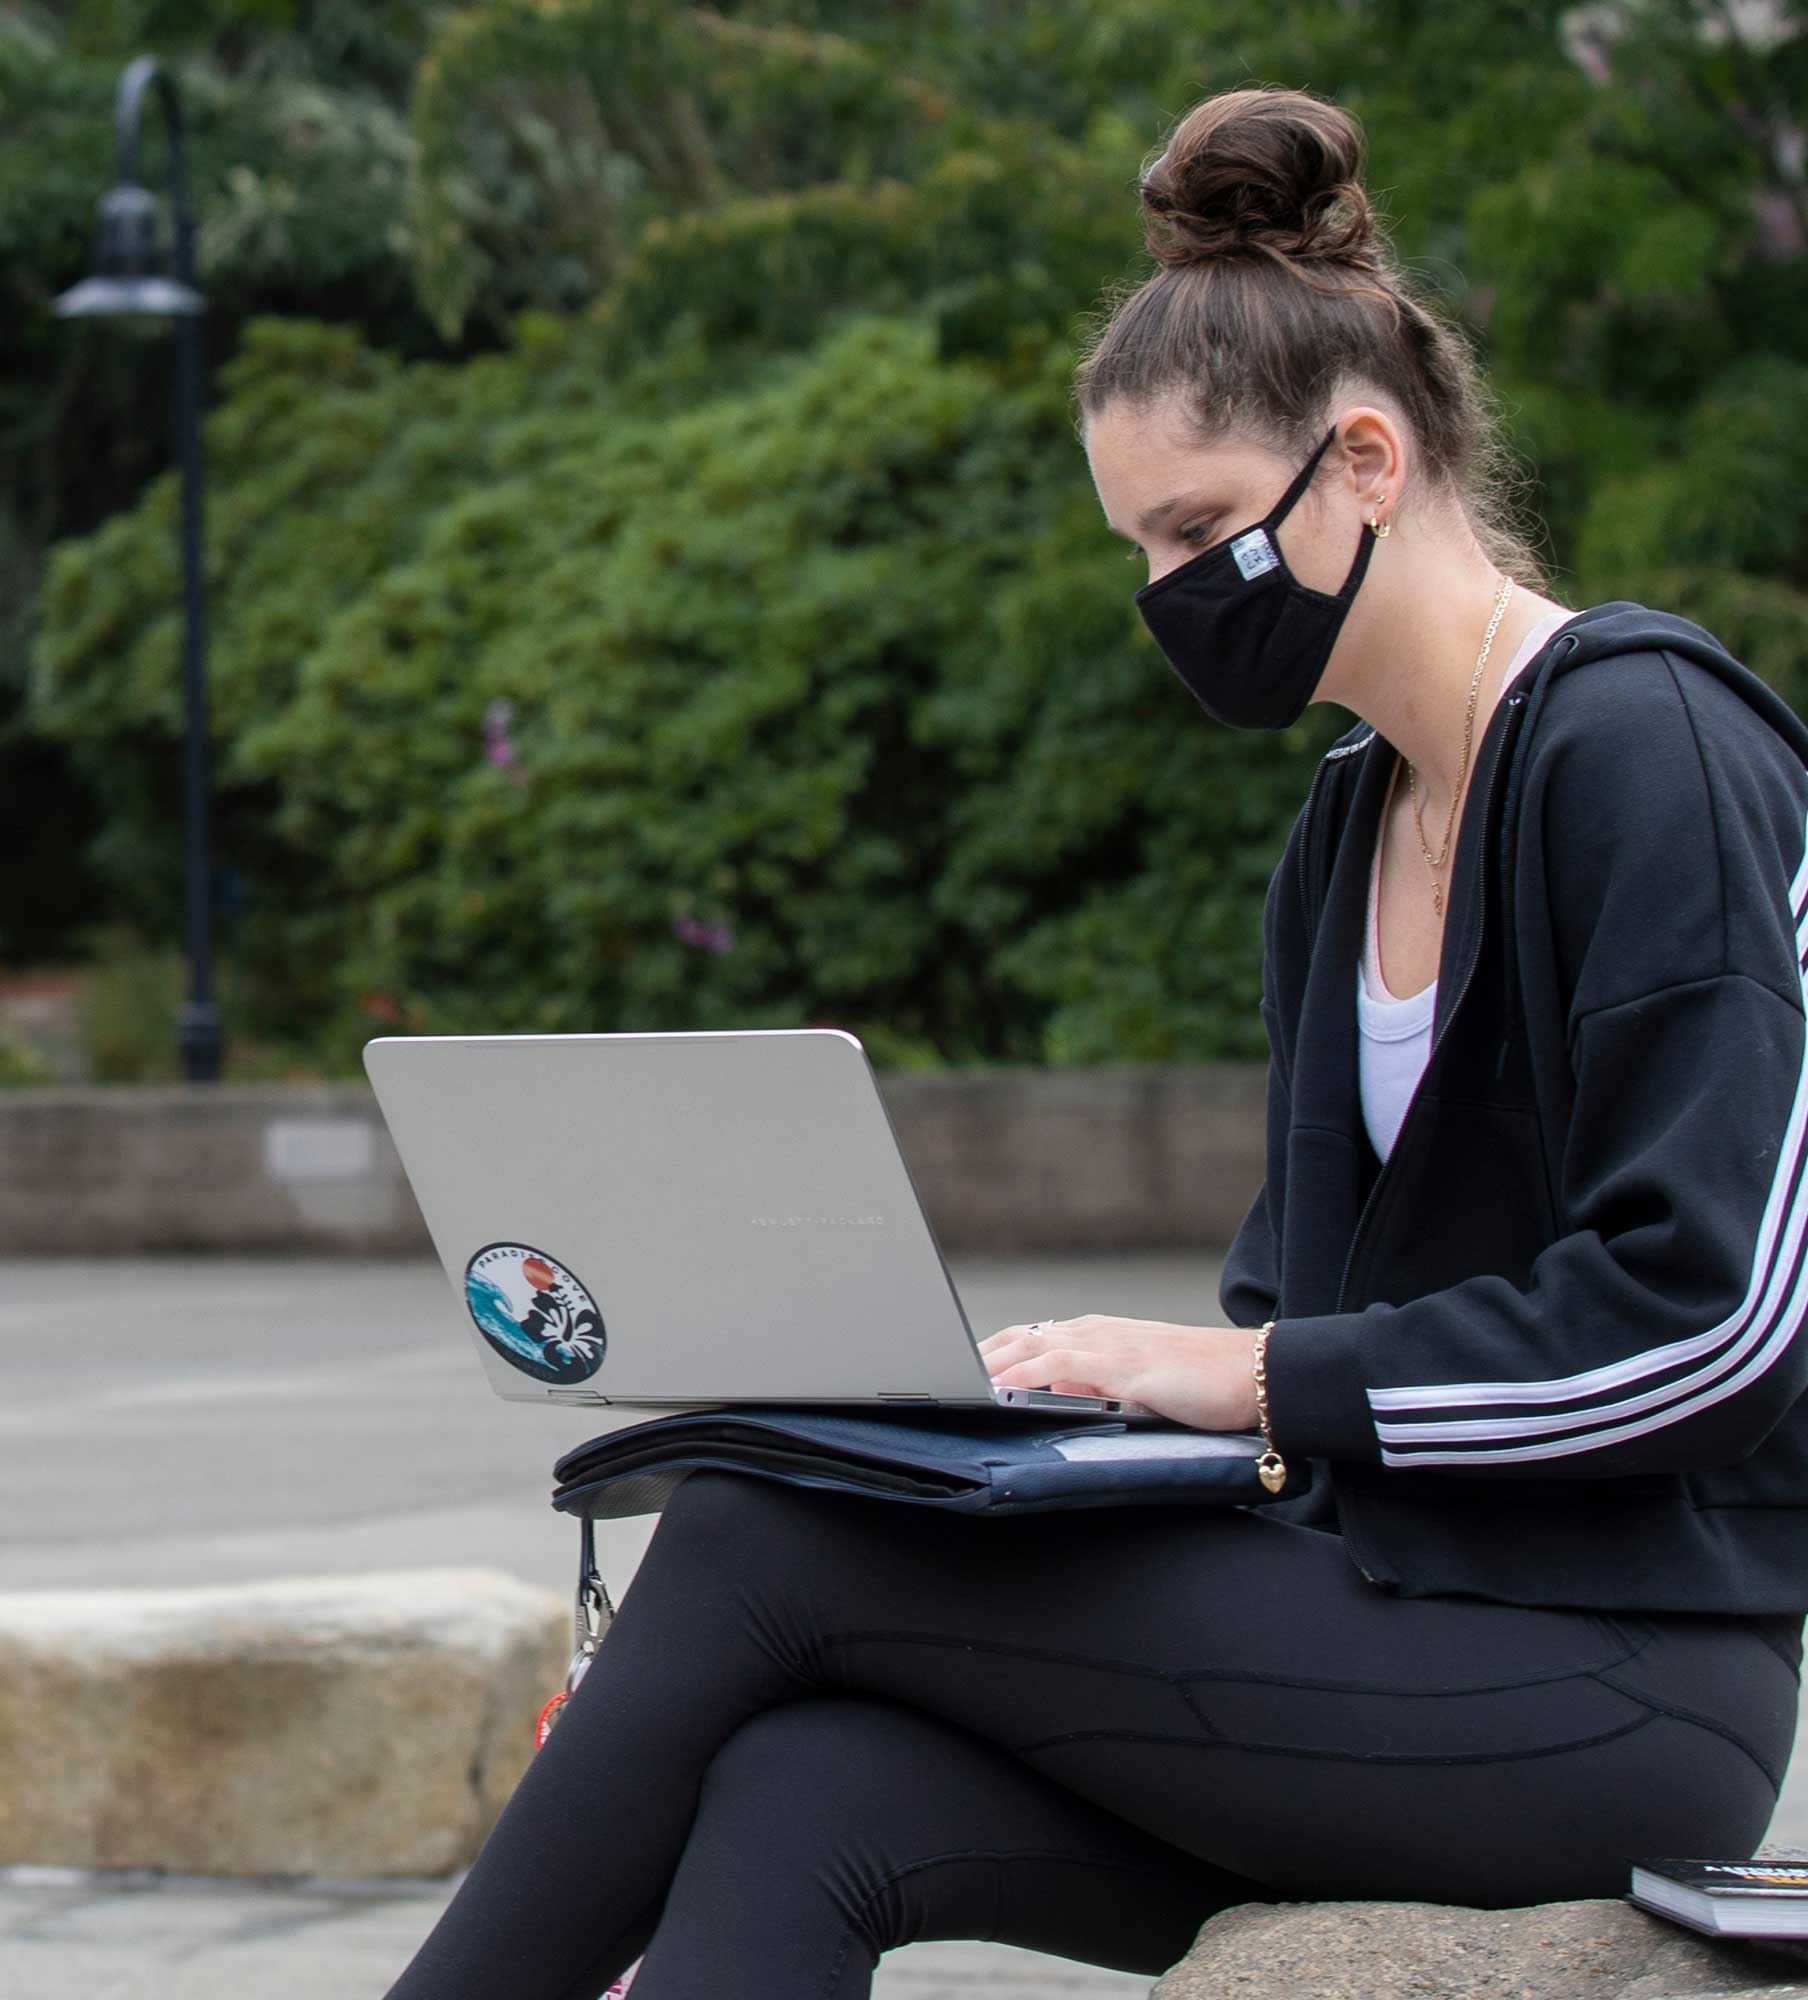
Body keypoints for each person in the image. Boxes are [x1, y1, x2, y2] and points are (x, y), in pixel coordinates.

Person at [377, 84, 1808, 2000]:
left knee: (754, 1541)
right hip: (1392, 1613)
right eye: (1139, 548)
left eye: (1202, 530)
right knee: (810, 1788)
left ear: (1367, 458)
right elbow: (1293, 1318)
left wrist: (1250, 1380)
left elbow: (1710, 1330)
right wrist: (1040, 1428)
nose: (1168, 594)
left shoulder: (1650, 751)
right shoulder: (1346, 830)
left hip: (1619, 1667)